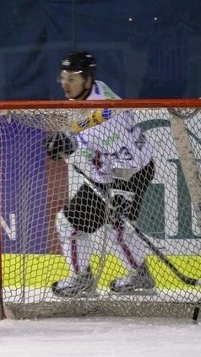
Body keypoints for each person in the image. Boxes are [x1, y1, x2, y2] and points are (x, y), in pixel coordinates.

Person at [46, 51, 156, 297]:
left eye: (72, 78)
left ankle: (140, 276)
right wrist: (65, 139)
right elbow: (82, 125)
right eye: (63, 77)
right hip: (106, 172)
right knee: (68, 223)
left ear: (87, 79)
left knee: (117, 226)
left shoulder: (107, 121)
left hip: (131, 171)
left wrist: (119, 195)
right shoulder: (93, 90)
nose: (65, 84)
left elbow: (129, 159)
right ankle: (82, 279)